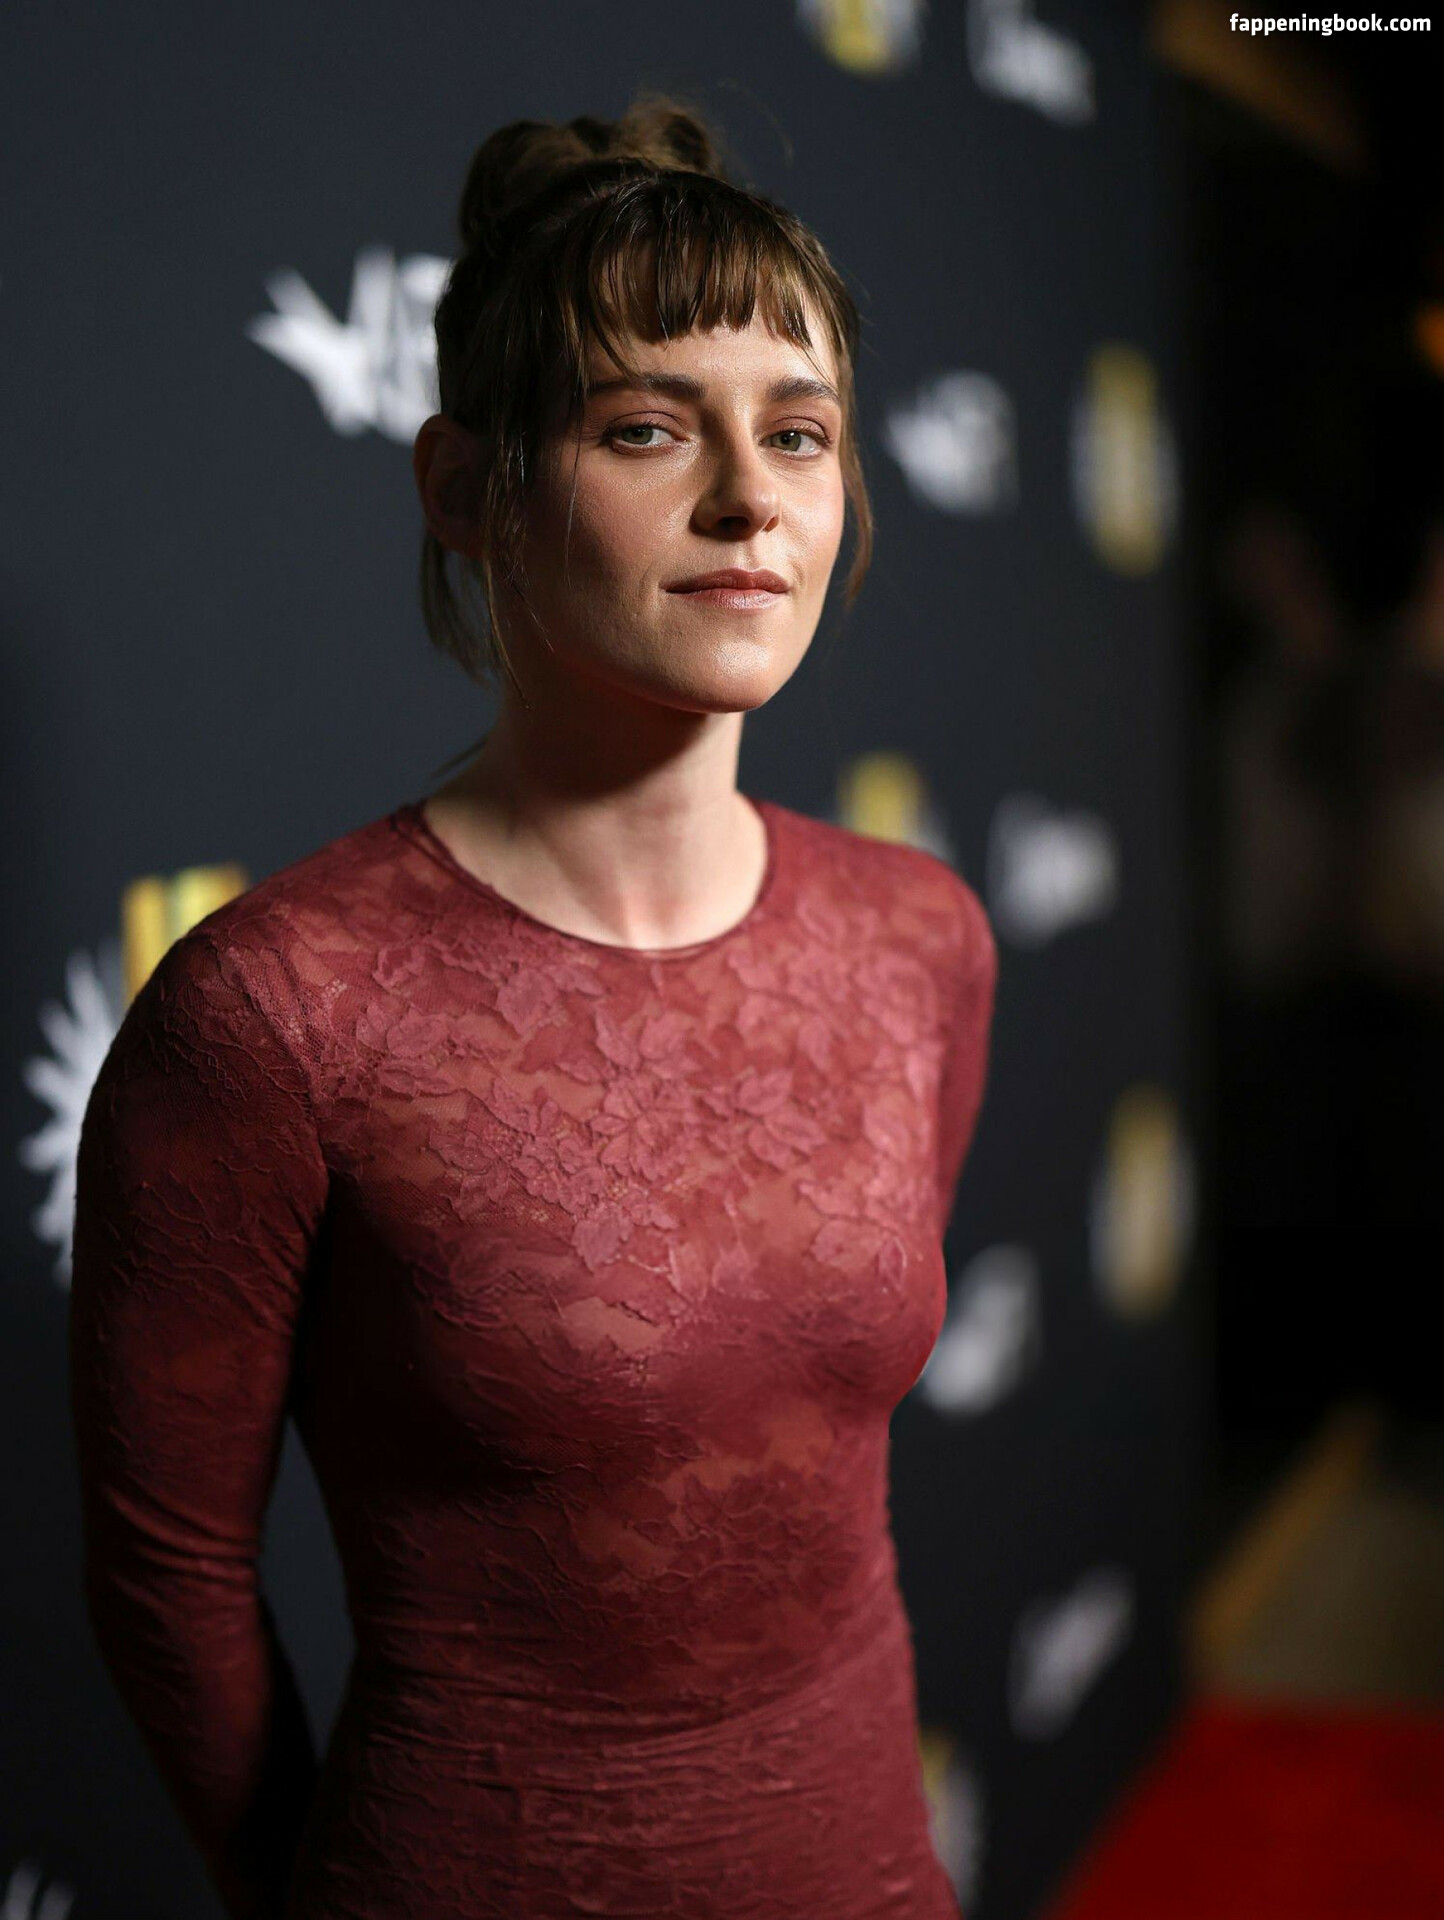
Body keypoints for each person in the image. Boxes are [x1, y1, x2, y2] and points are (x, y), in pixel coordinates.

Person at [68, 96, 997, 1920]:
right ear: (461, 487)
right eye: (646, 426)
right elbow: (166, 1574)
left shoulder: (921, 937)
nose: (748, 498)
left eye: (797, 432)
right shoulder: (273, 1011)